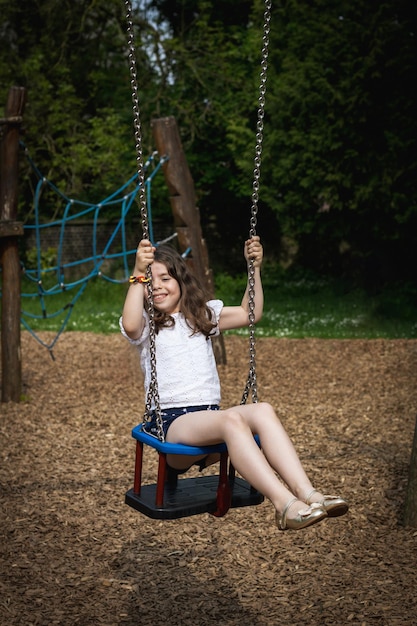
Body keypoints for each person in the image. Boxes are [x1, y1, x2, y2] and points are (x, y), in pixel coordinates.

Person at [120, 237, 348, 531]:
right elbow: (130, 325)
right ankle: (285, 505)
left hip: (209, 424)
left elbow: (249, 313)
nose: (158, 286)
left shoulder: (201, 316)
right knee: (231, 419)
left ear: (181, 280)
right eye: (150, 282)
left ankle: (309, 495)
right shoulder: (148, 323)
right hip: (172, 427)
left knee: (263, 409)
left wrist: (254, 268)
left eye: (166, 278)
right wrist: (138, 273)